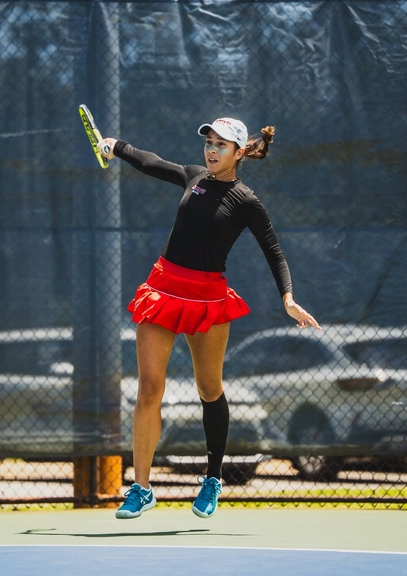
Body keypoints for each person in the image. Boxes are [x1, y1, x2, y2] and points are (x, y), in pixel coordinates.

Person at [97, 117, 321, 520]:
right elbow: (152, 162)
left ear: (239, 152)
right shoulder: (194, 176)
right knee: (149, 387)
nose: (212, 150)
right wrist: (117, 146)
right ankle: (141, 488)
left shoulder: (246, 201)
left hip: (207, 298)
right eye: (209, 142)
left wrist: (287, 297)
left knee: (209, 388)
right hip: (163, 288)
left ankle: (212, 478)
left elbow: (273, 250)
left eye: (221, 145)